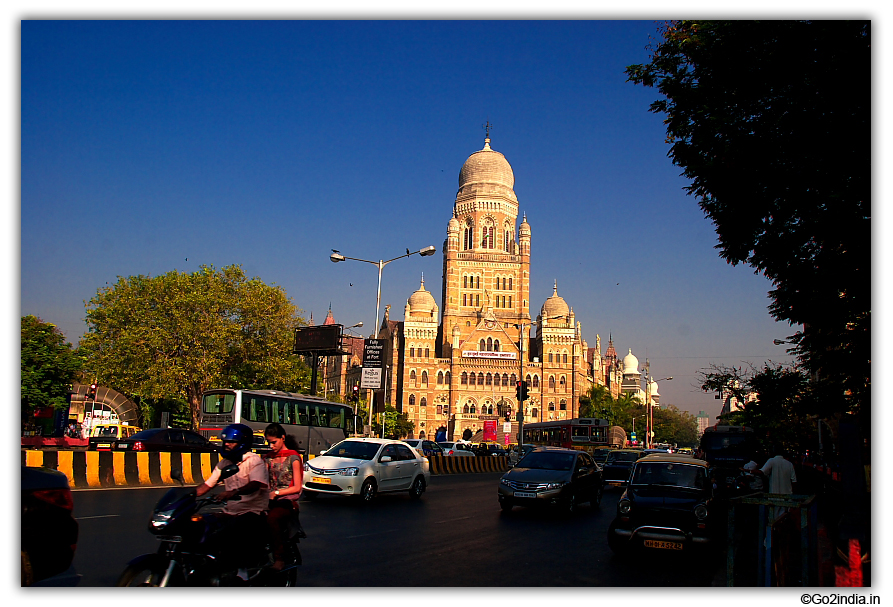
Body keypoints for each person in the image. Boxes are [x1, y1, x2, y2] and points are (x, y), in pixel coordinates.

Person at [196, 423, 269, 580]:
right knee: (200, 524)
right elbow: (207, 485)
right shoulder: (224, 463)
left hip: (252, 512)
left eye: (230, 441)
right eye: (225, 442)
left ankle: (241, 572)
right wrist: (188, 496)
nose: (226, 444)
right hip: (230, 512)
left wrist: (233, 492)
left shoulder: (254, 461)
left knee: (230, 531)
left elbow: (256, 484)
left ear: (242, 442)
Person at [262, 423, 304, 571]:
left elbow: (297, 487)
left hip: (287, 501)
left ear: (282, 438)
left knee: (272, 518)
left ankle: (279, 558)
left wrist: (277, 493)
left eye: (274, 442)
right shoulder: (267, 458)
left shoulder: (293, 457)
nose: (271, 446)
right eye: (269, 442)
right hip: (268, 500)